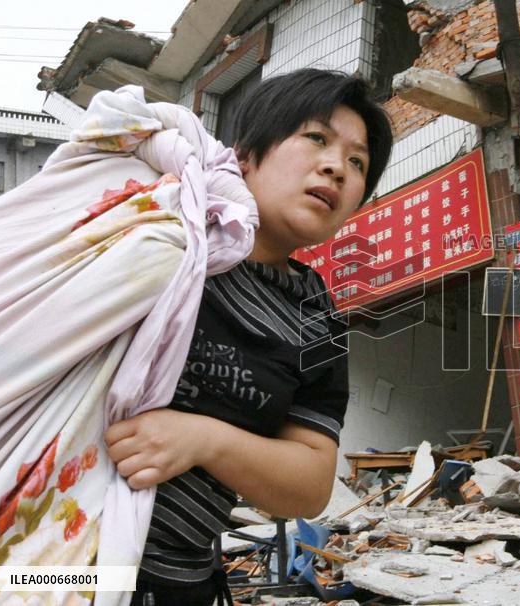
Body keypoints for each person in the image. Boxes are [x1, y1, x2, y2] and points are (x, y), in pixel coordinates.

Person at [102, 68, 393, 605]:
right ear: (247, 154)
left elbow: (309, 483)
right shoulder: (162, 229)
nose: (336, 167)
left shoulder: (320, 319)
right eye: (316, 138)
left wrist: (202, 439)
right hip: (50, 560)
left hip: (176, 583)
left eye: (358, 163)